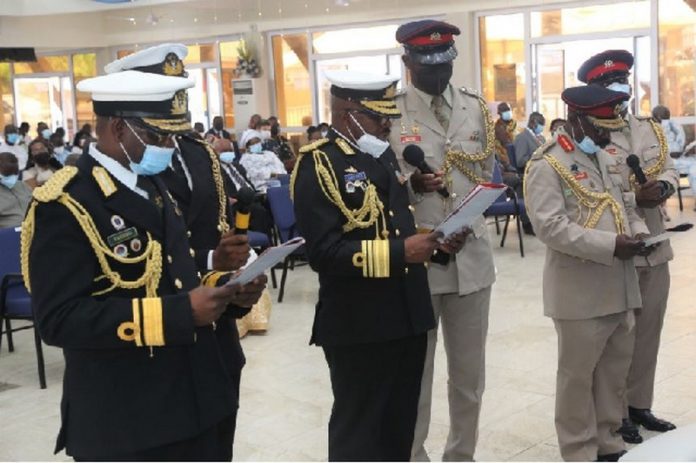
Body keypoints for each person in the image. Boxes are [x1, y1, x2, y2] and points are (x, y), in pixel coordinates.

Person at [22, 67, 266, 461]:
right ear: (118, 128)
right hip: (130, 417)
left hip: (195, 398)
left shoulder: (149, 184)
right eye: (158, 136)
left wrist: (228, 288)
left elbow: (172, 272)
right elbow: (59, 318)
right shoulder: (67, 203)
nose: (169, 147)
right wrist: (180, 313)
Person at [293, 70, 465, 461]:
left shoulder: (382, 155)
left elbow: (393, 225)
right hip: (360, 321)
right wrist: (402, 252)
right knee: (360, 432)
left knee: (399, 428)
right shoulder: (319, 164)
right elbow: (323, 252)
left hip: (407, 313)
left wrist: (436, 244)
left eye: (389, 115)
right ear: (345, 114)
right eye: (378, 116)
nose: (388, 124)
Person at [524, 85, 653, 462]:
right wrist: (610, 245)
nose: (607, 134)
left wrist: (641, 234)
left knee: (614, 372)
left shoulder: (607, 156)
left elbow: (625, 207)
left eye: (611, 125)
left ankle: (609, 442)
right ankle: (579, 450)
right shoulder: (547, 164)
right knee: (577, 379)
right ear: (577, 118)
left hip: (619, 284)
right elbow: (549, 227)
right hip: (579, 292)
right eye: (600, 126)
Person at [389, 20, 495, 462]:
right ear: (407, 62)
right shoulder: (391, 113)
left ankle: (460, 456)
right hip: (420, 260)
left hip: (471, 259)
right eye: (428, 68)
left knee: (469, 378)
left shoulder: (476, 108)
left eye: (444, 66)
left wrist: (471, 216)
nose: (438, 76)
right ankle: (414, 456)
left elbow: (486, 176)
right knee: (417, 375)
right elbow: (379, 188)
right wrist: (413, 185)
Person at [578, 49, 679, 442]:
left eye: (623, 83)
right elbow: (590, 192)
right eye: (609, 85)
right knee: (619, 338)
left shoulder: (648, 128)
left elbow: (667, 166)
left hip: (654, 245)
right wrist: (638, 198)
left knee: (649, 331)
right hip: (616, 249)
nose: (620, 91)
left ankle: (640, 405)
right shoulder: (589, 134)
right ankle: (615, 414)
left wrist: (664, 187)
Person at [0, 152, 32, 228]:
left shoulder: (22, 185)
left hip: (34, 227)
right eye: (7, 175)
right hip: (9, 232)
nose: (12, 177)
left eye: (15, 173)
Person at [494, 101, 518, 170]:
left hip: (517, 154)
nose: (508, 112)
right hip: (506, 160)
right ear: (499, 113)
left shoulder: (514, 124)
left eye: (508, 109)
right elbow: (506, 142)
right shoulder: (497, 128)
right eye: (505, 110)